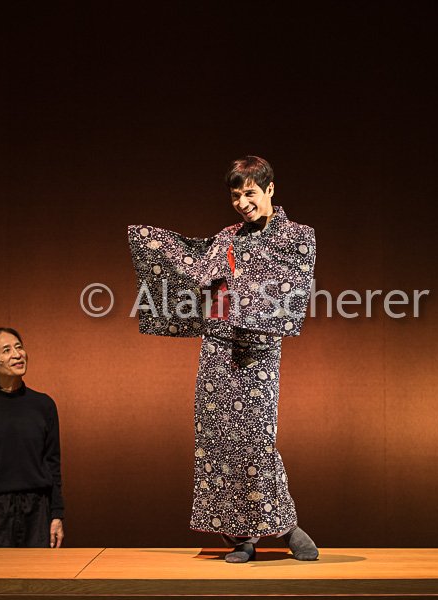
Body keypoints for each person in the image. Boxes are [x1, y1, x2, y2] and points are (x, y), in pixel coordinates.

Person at [128, 156, 319, 563]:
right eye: (235, 196)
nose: (242, 203)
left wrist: (243, 293)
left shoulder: (298, 236)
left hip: (257, 350)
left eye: (250, 193)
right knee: (217, 443)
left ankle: (286, 527)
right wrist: (152, 243)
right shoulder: (226, 237)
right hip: (217, 348)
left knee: (255, 441)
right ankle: (241, 537)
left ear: (270, 189)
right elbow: (195, 268)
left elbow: (291, 288)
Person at [0, 328, 65, 552]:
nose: (17, 354)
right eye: (6, 350)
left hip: (38, 508)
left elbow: (53, 464)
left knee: (38, 573)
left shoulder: (44, 405)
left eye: (19, 347)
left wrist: (57, 514)